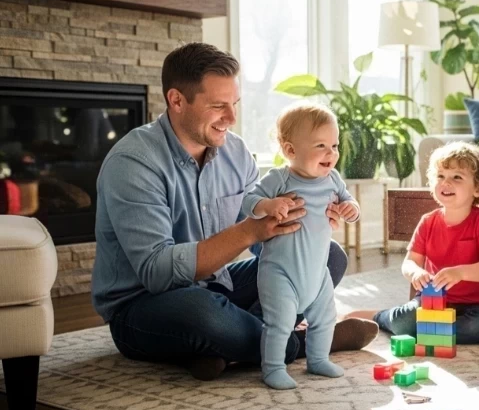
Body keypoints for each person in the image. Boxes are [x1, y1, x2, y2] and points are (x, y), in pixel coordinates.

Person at [91, 42, 378, 381]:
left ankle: (223, 348)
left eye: (235, 104)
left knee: (329, 256)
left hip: (220, 285)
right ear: (177, 100)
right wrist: (250, 229)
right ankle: (299, 342)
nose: (232, 118)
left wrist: (305, 226)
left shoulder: (236, 151)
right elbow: (156, 272)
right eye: (218, 106)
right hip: (145, 306)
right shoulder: (134, 163)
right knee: (203, 314)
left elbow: (265, 244)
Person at [242, 103, 359, 390]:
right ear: (290, 150)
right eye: (321, 145)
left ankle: (317, 360)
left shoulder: (332, 179)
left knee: (326, 316)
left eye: (334, 145)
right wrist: (269, 205)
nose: (331, 153)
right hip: (280, 272)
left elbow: (349, 200)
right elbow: (248, 202)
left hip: (317, 272)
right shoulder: (279, 178)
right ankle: (272, 368)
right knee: (279, 322)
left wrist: (350, 209)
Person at [345, 142, 479, 344]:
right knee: (404, 321)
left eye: (457, 177)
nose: (446, 183)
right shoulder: (428, 221)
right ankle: (382, 317)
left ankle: (428, 331)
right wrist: (415, 273)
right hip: (431, 301)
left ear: (478, 188)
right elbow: (409, 262)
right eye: (440, 176)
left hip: (474, 306)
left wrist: (460, 273)